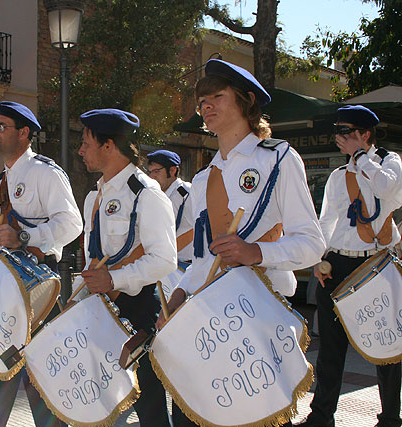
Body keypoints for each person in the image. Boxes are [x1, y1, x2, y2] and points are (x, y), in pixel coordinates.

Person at [160, 59, 326, 427]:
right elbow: (204, 258)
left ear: (247, 101)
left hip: (260, 312)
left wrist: (256, 253)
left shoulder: (278, 159)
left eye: (217, 96)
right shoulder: (203, 179)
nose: (207, 106)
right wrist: (179, 295)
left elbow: (312, 243)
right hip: (209, 316)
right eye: (202, 101)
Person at [0, 101, 82, 427]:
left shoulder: (45, 173)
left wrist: (25, 237)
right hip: (2, 292)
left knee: (42, 383)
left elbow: (71, 225)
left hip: (38, 291)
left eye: (1, 126)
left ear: (24, 133)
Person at [298, 106, 402, 427]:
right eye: (339, 132)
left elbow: (390, 191)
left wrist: (362, 158)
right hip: (338, 262)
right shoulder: (337, 176)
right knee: (332, 345)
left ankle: (389, 418)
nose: (339, 138)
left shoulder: (389, 163)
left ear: (364, 134)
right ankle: (322, 415)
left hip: (377, 263)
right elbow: (326, 220)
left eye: (346, 132)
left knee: (386, 344)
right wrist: (320, 259)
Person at [75, 108, 177, 426]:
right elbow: (94, 257)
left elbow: (165, 260)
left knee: (148, 404)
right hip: (101, 308)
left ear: (108, 146)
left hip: (138, 308)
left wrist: (115, 279)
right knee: (100, 398)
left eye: (86, 142)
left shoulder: (146, 195)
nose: (80, 150)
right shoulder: (94, 197)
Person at [146, 149, 193, 292]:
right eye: (150, 172)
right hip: (166, 266)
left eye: (156, 172)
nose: (152, 176)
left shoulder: (186, 193)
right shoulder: (159, 196)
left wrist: (167, 253)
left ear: (172, 171)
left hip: (184, 268)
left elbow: (195, 229)